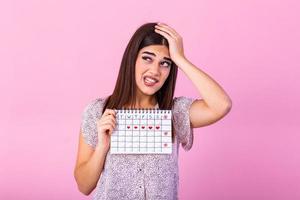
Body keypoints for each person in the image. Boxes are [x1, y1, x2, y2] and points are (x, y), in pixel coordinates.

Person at [74, 22, 232, 200]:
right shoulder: (97, 111)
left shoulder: (175, 113)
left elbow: (222, 105)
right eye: (147, 58)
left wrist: (180, 59)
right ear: (132, 59)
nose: (155, 71)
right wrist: (102, 147)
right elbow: (84, 186)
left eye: (165, 63)